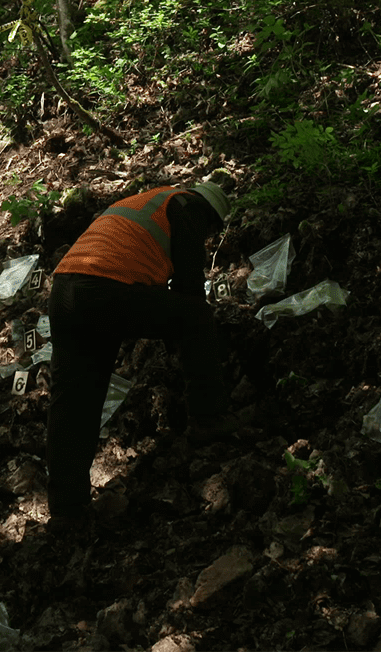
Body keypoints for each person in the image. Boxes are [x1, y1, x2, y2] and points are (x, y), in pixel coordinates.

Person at [47, 181, 235, 530]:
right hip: (106, 289)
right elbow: (190, 290)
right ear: (210, 215)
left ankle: (66, 509)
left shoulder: (147, 200)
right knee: (197, 316)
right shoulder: (187, 207)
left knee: (74, 400)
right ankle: (209, 420)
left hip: (65, 289)